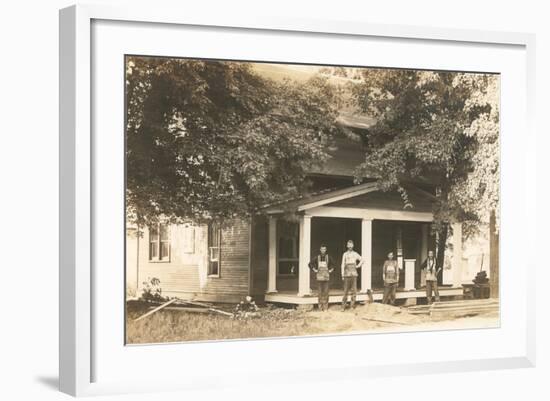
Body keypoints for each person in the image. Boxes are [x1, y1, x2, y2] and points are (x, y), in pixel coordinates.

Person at [309, 245, 334, 311]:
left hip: (326, 277)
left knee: (326, 292)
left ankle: (325, 307)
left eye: (324, 249)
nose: (323, 250)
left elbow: (333, 264)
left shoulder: (328, 257)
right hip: (319, 277)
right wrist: (314, 269)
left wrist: (331, 270)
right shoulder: (317, 257)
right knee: (320, 292)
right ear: (320, 250)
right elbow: (310, 264)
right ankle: (320, 307)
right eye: (322, 249)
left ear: (326, 250)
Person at [340, 240, 363, 310]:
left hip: (354, 274)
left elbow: (362, 260)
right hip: (347, 274)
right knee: (345, 291)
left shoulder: (355, 254)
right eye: (348, 245)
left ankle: (352, 306)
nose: (350, 247)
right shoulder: (345, 254)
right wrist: (342, 274)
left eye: (351, 245)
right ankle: (343, 306)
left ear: (353, 246)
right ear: (347, 246)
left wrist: (358, 266)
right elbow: (342, 264)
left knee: (354, 291)